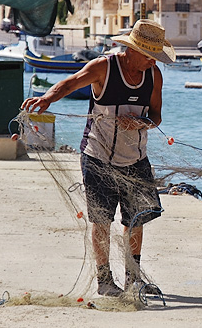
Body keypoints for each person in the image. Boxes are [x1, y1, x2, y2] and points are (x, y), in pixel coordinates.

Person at [21, 19, 175, 297]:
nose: (153, 62)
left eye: (156, 57)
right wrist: (46, 99)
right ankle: (104, 281)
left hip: (136, 159)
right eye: (148, 56)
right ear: (131, 49)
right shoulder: (104, 67)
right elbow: (69, 84)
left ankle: (133, 279)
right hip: (97, 157)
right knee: (102, 220)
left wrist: (141, 124)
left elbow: (156, 116)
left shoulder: (154, 76)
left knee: (136, 220)